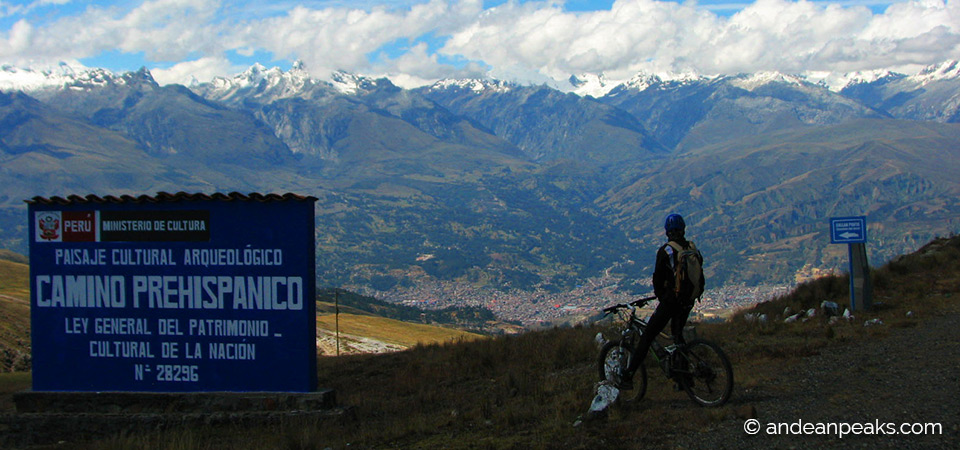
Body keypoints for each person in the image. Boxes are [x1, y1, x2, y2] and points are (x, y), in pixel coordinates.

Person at [618, 213, 704, 390]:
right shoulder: (691, 247)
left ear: (667, 232)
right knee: (678, 336)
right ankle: (684, 378)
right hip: (689, 300)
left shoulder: (666, 251)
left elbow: (657, 279)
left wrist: (662, 296)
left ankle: (628, 376)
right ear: (683, 229)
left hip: (672, 302)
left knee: (648, 336)